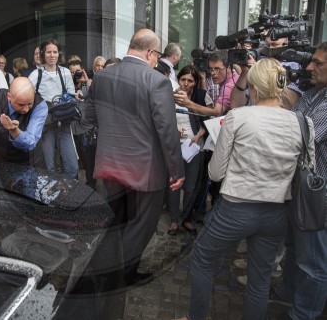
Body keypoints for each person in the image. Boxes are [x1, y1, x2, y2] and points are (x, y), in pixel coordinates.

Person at [176, 58, 314, 320]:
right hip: (277, 212)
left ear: (253, 86)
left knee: (202, 260)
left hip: (235, 208)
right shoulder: (302, 122)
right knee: (260, 280)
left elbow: (215, 172)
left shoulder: (238, 116)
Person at [85, 28, 185, 286]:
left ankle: (105, 265)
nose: (157, 60)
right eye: (158, 55)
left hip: (109, 164)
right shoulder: (157, 81)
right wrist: (177, 168)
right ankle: (120, 276)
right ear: (151, 52)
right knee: (141, 225)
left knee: (116, 220)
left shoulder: (101, 77)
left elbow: (88, 117)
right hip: (145, 169)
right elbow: (167, 130)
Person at [271, 41, 327, 320]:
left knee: (314, 262)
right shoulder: (315, 92)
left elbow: (305, 137)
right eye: (311, 61)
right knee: (294, 247)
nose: (309, 67)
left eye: (318, 63)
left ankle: (303, 314)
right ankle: (288, 293)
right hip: (300, 188)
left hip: (319, 196)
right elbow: (291, 121)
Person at [167, 65, 213, 236]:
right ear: (178, 79)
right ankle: (173, 220)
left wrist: (199, 135)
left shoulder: (201, 96)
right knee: (173, 183)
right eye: (183, 79)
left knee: (190, 186)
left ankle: (186, 218)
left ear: (195, 82)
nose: (186, 83)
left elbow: (210, 117)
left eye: (190, 81)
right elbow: (163, 118)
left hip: (194, 146)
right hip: (174, 146)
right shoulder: (170, 96)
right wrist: (173, 130)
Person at [28, 39, 79, 179]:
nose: (52, 55)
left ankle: (68, 195)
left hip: (64, 123)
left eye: (55, 52)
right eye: (49, 52)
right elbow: (27, 97)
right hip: (46, 125)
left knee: (72, 166)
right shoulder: (35, 75)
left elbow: (71, 95)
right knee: (47, 166)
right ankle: (49, 197)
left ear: (59, 54)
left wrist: (76, 96)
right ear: (43, 54)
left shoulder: (65, 72)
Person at [176, 51, 238, 117]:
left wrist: (188, 103)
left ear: (229, 68)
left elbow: (217, 112)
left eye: (217, 69)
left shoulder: (228, 86)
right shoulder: (233, 78)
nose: (213, 73)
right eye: (211, 69)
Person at [68, 59, 96, 189]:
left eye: (77, 71)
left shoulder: (89, 84)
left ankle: (91, 188)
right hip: (70, 130)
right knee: (72, 163)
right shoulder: (66, 85)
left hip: (87, 129)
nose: (75, 75)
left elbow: (97, 98)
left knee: (89, 163)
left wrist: (86, 81)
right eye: (71, 72)